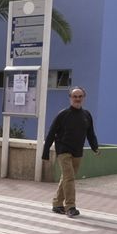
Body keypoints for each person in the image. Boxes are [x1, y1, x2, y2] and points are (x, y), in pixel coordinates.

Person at [42, 87, 99, 217]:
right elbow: (51, 133)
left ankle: (57, 204)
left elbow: (90, 133)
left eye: (80, 96)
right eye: (75, 96)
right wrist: (45, 153)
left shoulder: (86, 115)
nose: (77, 99)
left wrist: (95, 147)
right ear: (70, 98)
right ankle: (70, 206)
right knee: (69, 178)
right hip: (63, 150)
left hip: (77, 151)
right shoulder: (63, 114)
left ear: (83, 98)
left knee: (67, 178)